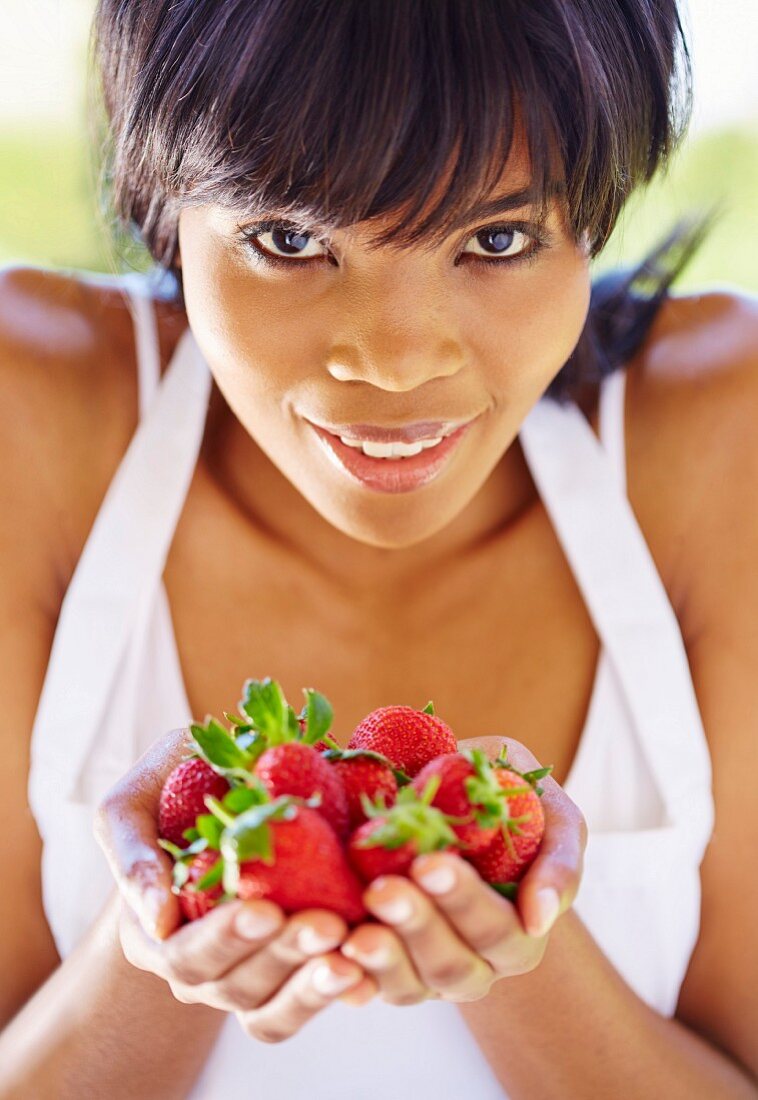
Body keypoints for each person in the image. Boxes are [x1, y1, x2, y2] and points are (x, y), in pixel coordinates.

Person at [0, 1, 756, 1097]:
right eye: (289, 239)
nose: (397, 362)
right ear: (167, 199)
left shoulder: (719, 436)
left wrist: (511, 943)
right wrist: (158, 943)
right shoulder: (33, 414)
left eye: (494, 239)